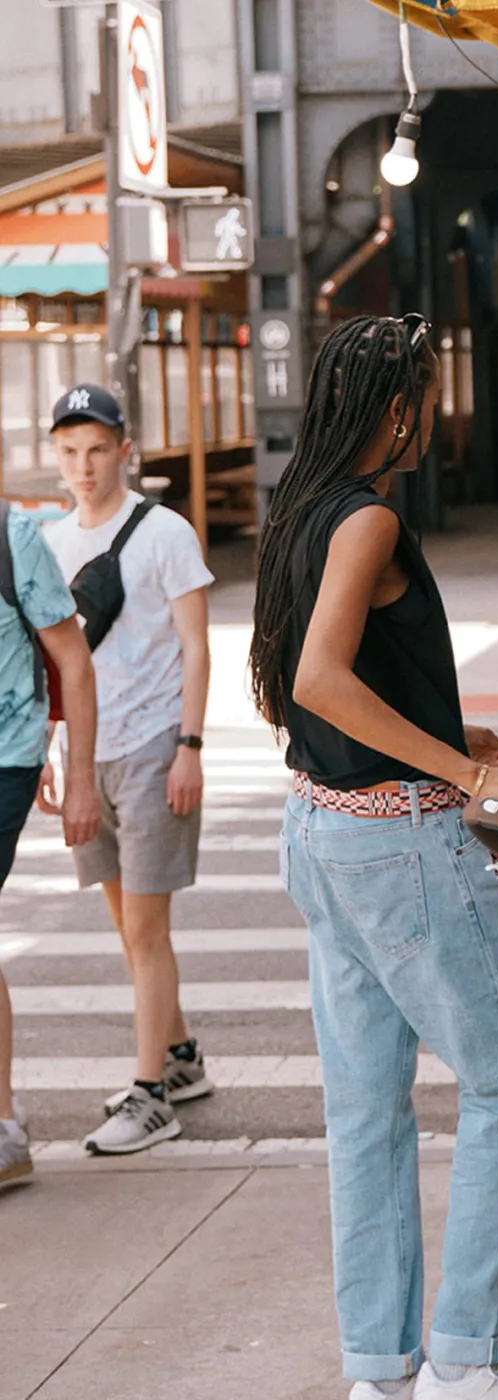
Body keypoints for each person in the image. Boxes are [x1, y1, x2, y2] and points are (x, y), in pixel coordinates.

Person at [250, 313, 498, 1400]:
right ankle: (465, 1367)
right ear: (397, 410)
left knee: (365, 1111)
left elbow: (317, 692)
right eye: (426, 398)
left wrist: (448, 729)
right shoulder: (371, 516)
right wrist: (472, 772)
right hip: (396, 846)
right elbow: (322, 682)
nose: (433, 417)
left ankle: (380, 1383)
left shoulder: (303, 507)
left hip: (323, 835)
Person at [43, 386, 215, 1156]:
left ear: (124, 450)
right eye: (69, 452)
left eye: (96, 450)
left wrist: (190, 746)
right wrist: (54, 752)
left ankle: (152, 1097)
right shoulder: (50, 542)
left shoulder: (165, 533)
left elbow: (197, 647)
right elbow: (55, 662)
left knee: (146, 929)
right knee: (125, 926)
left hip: (152, 748)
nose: (83, 466)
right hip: (89, 755)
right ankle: (179, 1060)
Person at [0, 507, 100, 1188]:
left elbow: (73, 660)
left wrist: (81, 776)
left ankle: (2, 1124)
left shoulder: (12, 538)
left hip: (5, 759)